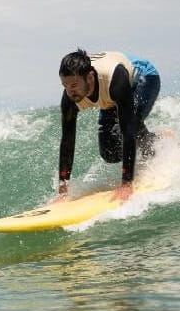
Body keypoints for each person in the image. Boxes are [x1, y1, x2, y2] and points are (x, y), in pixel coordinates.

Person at [57, 49, 160, 202]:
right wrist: (63, 189)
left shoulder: (115, 81)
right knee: (110, 154)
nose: (69, 92)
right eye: (65, 85)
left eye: (73, 85)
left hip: (143, 77)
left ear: (90, 78)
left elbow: (128, 130)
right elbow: (67, 142)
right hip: (112, 92)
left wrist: (126, 184)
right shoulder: (70, 98)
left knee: (132, 122)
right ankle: (151, 139)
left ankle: (152, 146)